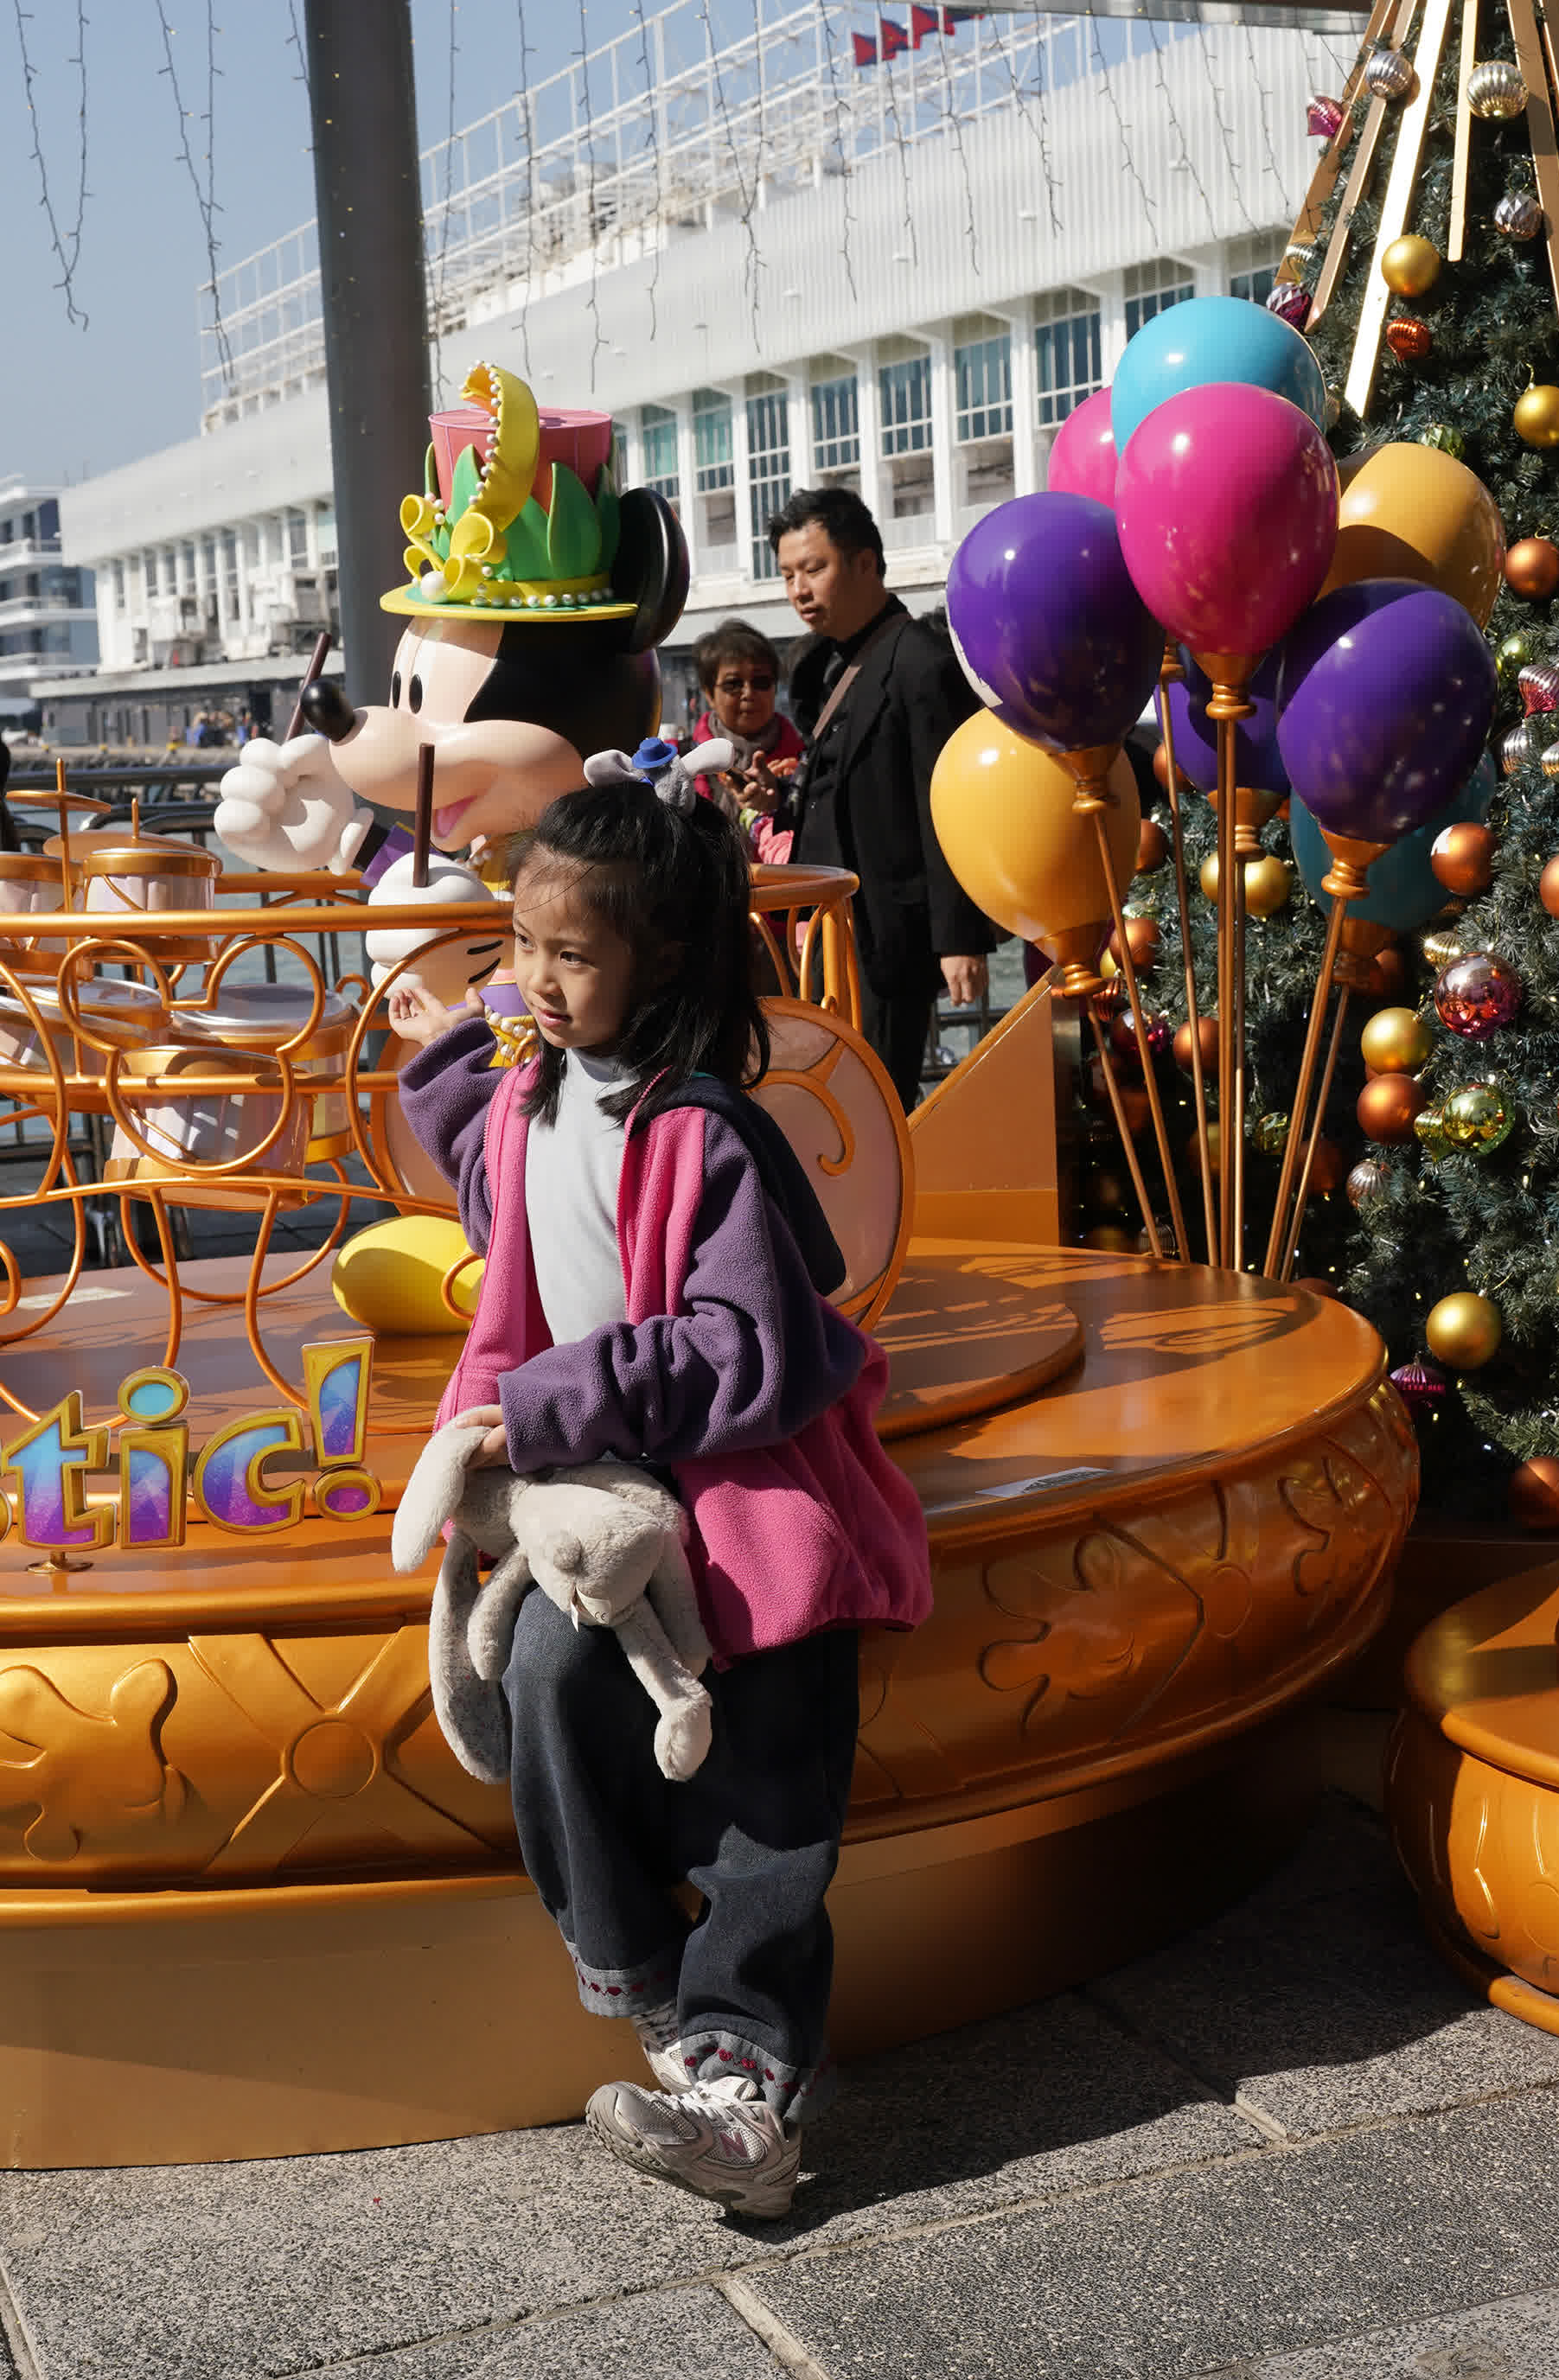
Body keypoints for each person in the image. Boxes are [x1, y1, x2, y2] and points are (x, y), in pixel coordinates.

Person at [394, 772, 932, 2215]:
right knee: (552, 1682)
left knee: (771, 1760)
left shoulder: (703, 1130)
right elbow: (479, 1175)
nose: (538, 979)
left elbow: (746, 1345)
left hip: (746, 1489)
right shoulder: (529, 1099)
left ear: (666, 957)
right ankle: (656, 1998)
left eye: (573, 953)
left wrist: (550, 1403)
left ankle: (751, 2076)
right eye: (522, 943)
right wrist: (459, 1041)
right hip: (609, 1492)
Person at [768, 486, 994, 1107]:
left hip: (889, 937)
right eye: (788, 573)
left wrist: (960, 940)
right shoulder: (821, 666)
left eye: (814, 568)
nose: (798, 588)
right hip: (825, 933)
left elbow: (945, 803)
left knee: (875, 1105)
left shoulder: (920, 659)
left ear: (866, 561)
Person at [682, 619, 802, 864]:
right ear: (709, 693)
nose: (749, 693)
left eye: (761, 682)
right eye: (733, 684)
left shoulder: (804, 764)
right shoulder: (680, 763)